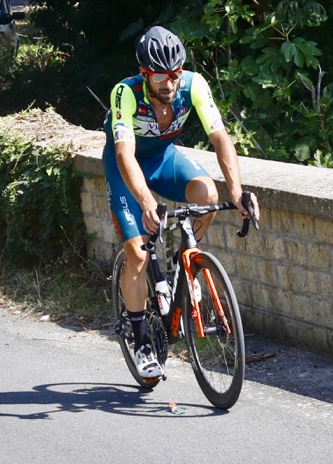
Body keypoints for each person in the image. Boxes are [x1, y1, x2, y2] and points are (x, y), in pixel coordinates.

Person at [103, 25, 259, 380]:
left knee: (208, 194)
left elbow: (221, 138)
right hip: (125, 167)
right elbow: (124, 153)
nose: (170, 83)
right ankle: (141, 340)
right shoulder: (125, 93)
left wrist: (236, 191)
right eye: (160, 76)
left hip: (163, 159)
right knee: (138, 255)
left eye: (175, 74)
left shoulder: (194, 85)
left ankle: (184, 262)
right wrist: (145, 201)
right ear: (145, 74)